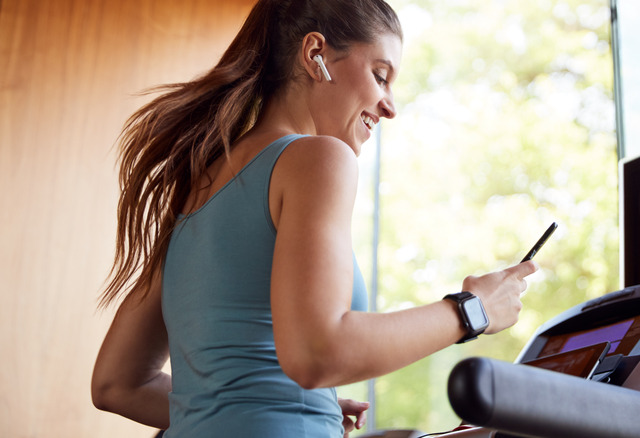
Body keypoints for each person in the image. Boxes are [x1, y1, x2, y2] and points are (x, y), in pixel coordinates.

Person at [90, 0, 539, 437]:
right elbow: (315, 355)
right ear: (315, 55)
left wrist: (286, 407)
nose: (390, 106)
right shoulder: (319, 158)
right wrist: (472, 310)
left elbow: (117, 384)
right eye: (380, 76)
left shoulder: (198, 184)